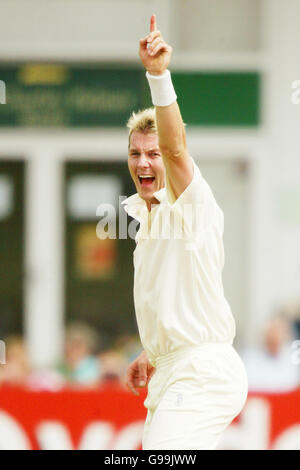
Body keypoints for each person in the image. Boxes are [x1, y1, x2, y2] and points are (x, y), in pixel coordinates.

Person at [124, 14, 248, 450]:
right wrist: (152, 352)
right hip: (174, 370)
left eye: (153, 154)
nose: (143, 162)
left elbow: (177, 147)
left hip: (202, 371)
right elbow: (174, 299)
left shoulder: (192, 202)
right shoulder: (148, 218)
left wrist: (158, 77)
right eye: (135, 153)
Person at [241, 314, 300, 392]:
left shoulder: (293, 358)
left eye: (279, 333)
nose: (275, 338)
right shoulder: (250, 358)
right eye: (272, 333)